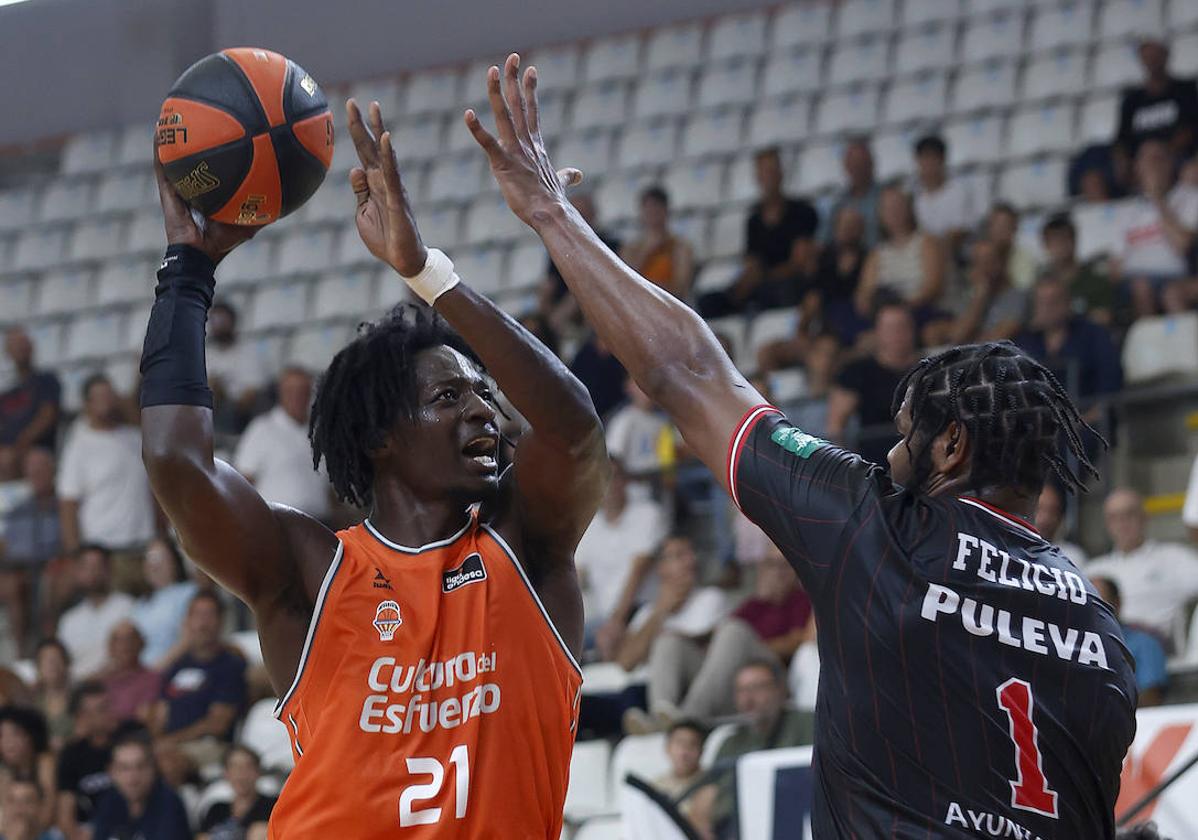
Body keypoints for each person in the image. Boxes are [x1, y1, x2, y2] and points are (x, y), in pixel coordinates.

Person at [469, 56, 1136, 834]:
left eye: (907, 431)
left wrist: (553, 215)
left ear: (951, 448)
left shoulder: (879, 528)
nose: (889, 454)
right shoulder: (1100, 630)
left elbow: (686, 369)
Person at [140, 74, 606, 838]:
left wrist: (428, 274)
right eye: (450, 399)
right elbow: (177, 464)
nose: (484, 408)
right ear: (382, 438)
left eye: (483, 394)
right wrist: (187, 272)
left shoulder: (529, 546)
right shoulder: (309, 571)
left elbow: (574, 431)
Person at [687, 660, 814, 839]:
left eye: (757, 688)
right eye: (741, 691)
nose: (748, 699)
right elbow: (705, 798)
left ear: (780, 689)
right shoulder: (730, 742)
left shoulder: (808, 725)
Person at [615, 535, 732, 722]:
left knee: (667, 643)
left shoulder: (711, 598)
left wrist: (667, 638)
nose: (689, 561)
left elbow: (715, 653)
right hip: (651, 690)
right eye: (678, 556)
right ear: (661, 569)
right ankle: (662, 718)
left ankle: (662, 717)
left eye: (690, 554)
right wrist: (661, 611)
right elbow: (626, 663)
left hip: (699, 686)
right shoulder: (647, 613)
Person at [57, 374, 157, 590]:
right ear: (87, 404)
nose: (107, 401)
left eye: (109, 395)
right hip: (107, 553)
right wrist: (76, 556)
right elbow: (68, 505)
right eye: (99, 397)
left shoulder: (135, 437)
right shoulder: (79, 446)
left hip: (145, 546)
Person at [698, 147, 819, 316]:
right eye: (763, 172)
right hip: (760, 285)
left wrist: (763, 276)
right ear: (758, 177)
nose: (768, 177)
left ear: (780, 174)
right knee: (708, 302)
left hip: (787, 284)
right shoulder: (754, 220)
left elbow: (799, 263)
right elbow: (752, 261)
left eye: (771, 171)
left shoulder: (802, 212)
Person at [574, 461, 667, 657]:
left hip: (641, 613)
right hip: (603, 618)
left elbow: (638, 572)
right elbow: (576, 580)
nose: (609, 483)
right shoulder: (588, 526)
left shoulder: (647, 514)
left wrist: (616, 622)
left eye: (614, 476)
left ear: (625, 481)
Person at [1087, 488, 1198, 645]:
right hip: (1108, 651)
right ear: (1107, 524)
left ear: (1145, 517)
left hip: (1157, 652)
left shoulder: (1175, 558)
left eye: (1129, 514)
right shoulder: (1094, 570)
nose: (1122, 523)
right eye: (1114, 517)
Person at [148, 592, 246, 769]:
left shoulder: (230, 664)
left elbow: (217, 724)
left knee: (167, 764)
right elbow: (160, 712)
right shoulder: (177, 665)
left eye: (209, 615)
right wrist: (156, 741)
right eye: (197, 615)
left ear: (221, 621)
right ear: (187, 621)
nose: (203, 623)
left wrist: (170, 741)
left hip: (208, 745)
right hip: (168, 745)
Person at [1017, 277, 1123, 428]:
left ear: (1067, 303)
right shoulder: (1025, 343)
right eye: (1041, 303)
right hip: (1040, 430)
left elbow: (1110, 385)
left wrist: (1084, 422)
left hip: (1088, 425)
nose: (1047, 308)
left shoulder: (1094, 335)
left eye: (1054, 301)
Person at [1111, 139, 1198, 317]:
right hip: (1134, 281)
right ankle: (1149, 343)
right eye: (1146, 160)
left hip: (1175, 277)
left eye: (1158, 159)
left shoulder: (1190, 197)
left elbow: (1183, 245)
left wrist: (1157, 198)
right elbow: (1115, 266)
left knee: (1168, 292)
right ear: (1137, 167)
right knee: (1140, 286)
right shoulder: (1127, 210)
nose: (1153, 166)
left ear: (1170, 164)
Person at [233, 367, 331, 522]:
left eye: (303, 390)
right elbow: (243, 483)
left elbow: (328, 488)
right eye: (290, 390)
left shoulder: (321, 432)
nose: (297, 396)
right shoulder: (262, 428)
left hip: (322, 524)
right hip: (277, 525)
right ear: (280, 393)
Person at [826, 302, 918, 465]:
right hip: (877, 466)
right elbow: (836, 426)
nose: (897, 334)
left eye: (902, 327)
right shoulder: (856, 372)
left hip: (924, 461)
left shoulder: (929, 370)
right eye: (890, 329)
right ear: (877, 332)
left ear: (912, 329)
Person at [854, 184, 947, 322]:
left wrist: (902, 309)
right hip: (885, 318)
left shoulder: (927, 243)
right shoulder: (876, 254)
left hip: (921, 313)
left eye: (898, 205)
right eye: (887, 207)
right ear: (880, 214)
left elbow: (932, 288)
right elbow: (864, 295)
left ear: (909, 208)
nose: (893, 211)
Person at [0, 448, 61, 655]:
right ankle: (21, 654)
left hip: (53, 566)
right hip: (20, 568)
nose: (37, 475)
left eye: (42, 469)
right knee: (11, 585)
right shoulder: (19, 510)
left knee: (49, 581)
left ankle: (49, 647)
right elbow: (6, 549)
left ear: (53, 470)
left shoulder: (64, 506)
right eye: (32, 471)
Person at [90, 732, 191, 840]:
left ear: (153, 769)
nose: (133, 777)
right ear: (112, 772)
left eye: (140, 766)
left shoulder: (169, 803)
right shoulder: (109, 802)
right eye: (124, 768)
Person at [1116, 38, 1198, 164]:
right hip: (1141, 165)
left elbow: (1189, 130)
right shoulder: (1131, 101)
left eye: (1155, 55)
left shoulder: (1185, 90)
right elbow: (1122, 140)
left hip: (1180, 159)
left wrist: (1163, 153)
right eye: (1147, 57)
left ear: (1165, 55)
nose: (1152, 61)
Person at [57, 547, 135, 680]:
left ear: (109, 570)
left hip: (117, 682)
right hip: (76, 688)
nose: (92, 572)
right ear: (78, 573)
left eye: (98, 566)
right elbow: (61, 662)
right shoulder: (69, 619)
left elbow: (129, 656)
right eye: (86, 567)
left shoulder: (127, 606)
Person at [730, 545, 813, 667]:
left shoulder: (801, 600)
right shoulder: (754, 603)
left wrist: (751, 649)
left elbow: (797, 641)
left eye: (785, 565)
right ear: (762, 569)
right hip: (743, 668)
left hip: (774, 668)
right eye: (771, 564)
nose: (778, 572)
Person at [1090, 577, 1167, 707]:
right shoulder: (1069, 645)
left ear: (1118, 602)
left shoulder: (1144, 643)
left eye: (1099, 601)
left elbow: (1151, 699)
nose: (1092, 609)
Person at [935, 238, 1027, 346]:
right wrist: (980, 296)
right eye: (978, 262)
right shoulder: (970, 296)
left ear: (1001, 263)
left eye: (989, 261)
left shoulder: (1016, 296)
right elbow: (956, 336)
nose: (983, 268)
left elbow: (996, 340)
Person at [55, 682, 116, 839]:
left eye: (110, 706)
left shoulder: (129, 739)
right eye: (102, 709)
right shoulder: (72, 755)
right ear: (83, 716)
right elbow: (65, 815)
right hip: (89, 830)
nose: (110, 712)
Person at [618, 186, 695, 301]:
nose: (653, 214)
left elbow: (680, 288)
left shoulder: (680, 246)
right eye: (648, 209)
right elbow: (623, 282)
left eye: (657, 209)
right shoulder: (631, 248)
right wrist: (647, 253)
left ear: (666, 211)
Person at [1039, 213, 1115, 325]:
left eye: (1064, 239)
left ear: (1074, 240)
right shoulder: (1040, 283)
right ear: (1045, 245)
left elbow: (1104, 319)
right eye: (1054, 240)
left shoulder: (1096, 280)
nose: (1060, 245)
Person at [131, 539, 197, 669]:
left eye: (158, 557)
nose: (153, 564)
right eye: (149, 557)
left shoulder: (189, 592)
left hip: (173, 668)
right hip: (142, 674)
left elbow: (190, 638)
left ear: (174, 561)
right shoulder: (140, 604)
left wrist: (155, 671)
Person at [205, 302, 268, 436]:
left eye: (223, 321)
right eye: (215, 321)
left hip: (240, 412)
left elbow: (251, 393)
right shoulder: (206, 354)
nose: (219, 326)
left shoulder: (248, 353)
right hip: (211, 408)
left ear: (232, 322)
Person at [911, 134, 979, 251]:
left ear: (942, 160)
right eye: (924, 158)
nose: (928, 164)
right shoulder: (912, 196)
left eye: (932, 158)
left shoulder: (959, 191)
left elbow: (962, 231)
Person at [0, 329, 61, 456]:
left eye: (23, 343)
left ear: (32, 347)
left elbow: (48, 415)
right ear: (8, 352)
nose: (20, 348)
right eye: (15, 345)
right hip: (8, 450)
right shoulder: (7, 390)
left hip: (37, 448)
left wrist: (23, 440)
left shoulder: (47, 380)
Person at [197, 746, 274, 840]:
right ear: (226, 773)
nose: (241, 774)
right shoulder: (216, 809)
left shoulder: (272, 806)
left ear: (258, 771)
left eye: (248, 767)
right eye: (234, 767)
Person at [0, 707, 56, 828]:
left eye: (15, 734)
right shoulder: (4, 772)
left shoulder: (45, 763)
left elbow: (49, 810)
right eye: (2, 736)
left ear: (31, 736)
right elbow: (6, 816)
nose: (8, 742)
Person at [823, 137, 880, 248]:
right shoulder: (838, 205)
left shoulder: (885, 198)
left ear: (871, 164)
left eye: (862, 163)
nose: (858, 168)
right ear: (846, 167)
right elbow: (824, 241)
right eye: (853, 164)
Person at [99, 622, 161, 724]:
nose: (125, 645)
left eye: (130, 639)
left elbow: (143, 716)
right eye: (119, 640)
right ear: (110, 647)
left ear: (140, 644)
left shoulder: (152, 679)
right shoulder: (101, 682)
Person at [651, 719, 706, 824]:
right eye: (679, 743)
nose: (684, 752)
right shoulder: (655, 786)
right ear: (667, 748)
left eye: (692, 744)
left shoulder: (712, 784)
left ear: (702, 750)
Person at [30, 640, 72, 751]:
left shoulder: (80, 697)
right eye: (46, 660)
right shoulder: (30, 702)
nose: (52, 665)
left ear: (66, 663)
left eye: (56, 659)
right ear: (38, 667)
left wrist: (67, 742)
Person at [1035, 483, 1088, 568]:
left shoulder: (1073, 557)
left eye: (1053, 511)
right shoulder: (1012, 551)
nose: (1046, 518)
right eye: (1039, 509)